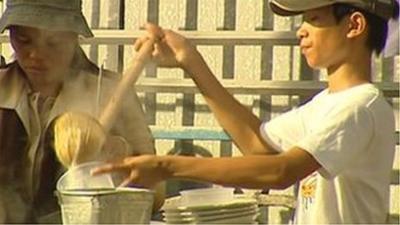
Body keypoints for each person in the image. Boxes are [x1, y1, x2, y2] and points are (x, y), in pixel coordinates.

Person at [93, 0, 399, 223]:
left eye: (314, 19)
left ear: (354, 25)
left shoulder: (361, 107)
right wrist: (190, 59)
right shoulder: (326, 104)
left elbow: (280, 171)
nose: (300, 32)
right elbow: (257, 143)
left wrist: (166, 167)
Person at [0, 0, 164, 223]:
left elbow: (156, 194)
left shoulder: (108, 91)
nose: (35, 54)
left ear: (74, 37)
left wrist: (122, 161)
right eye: (24, 40)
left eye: (53, 42)